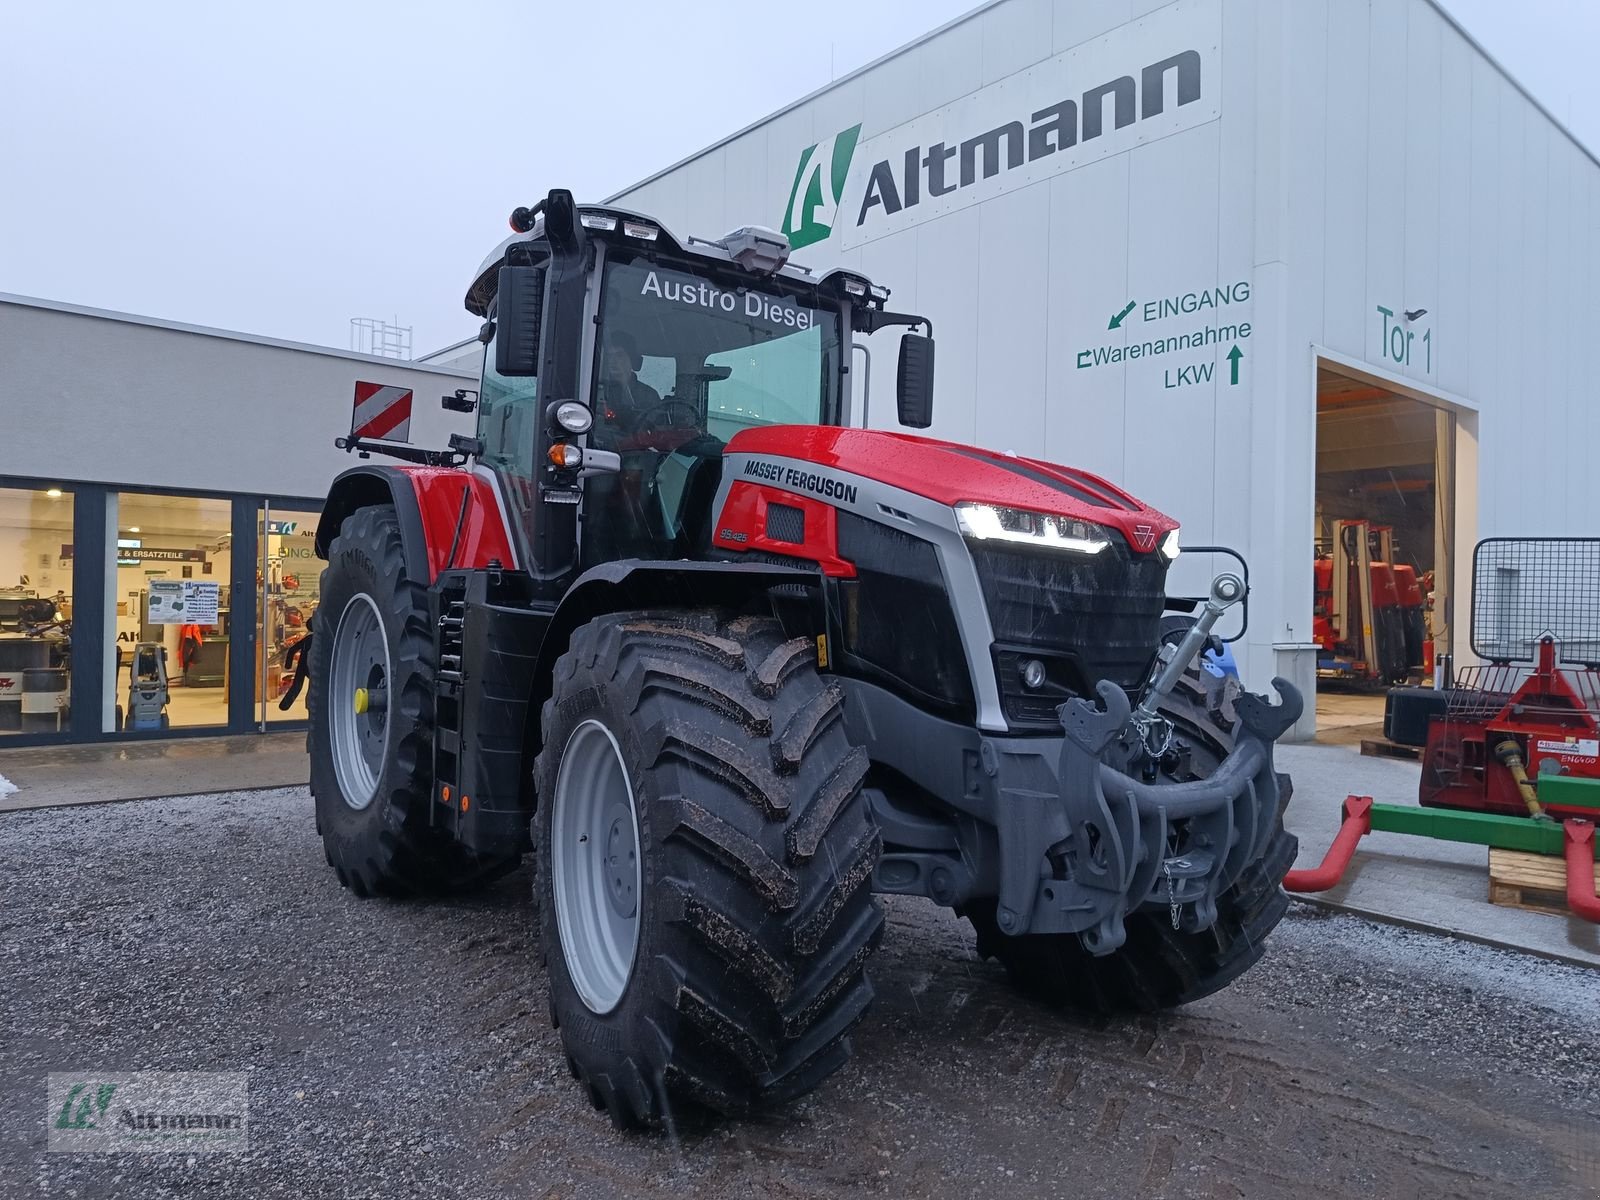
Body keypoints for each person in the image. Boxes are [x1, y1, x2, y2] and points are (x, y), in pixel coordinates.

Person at [595, 331, 661, 439]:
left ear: (632, 359)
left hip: (636, 449)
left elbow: (652, 430)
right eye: (609, 356)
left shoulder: (649, 395)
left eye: (619, 356)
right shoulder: (596, 392)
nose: (613, 361)